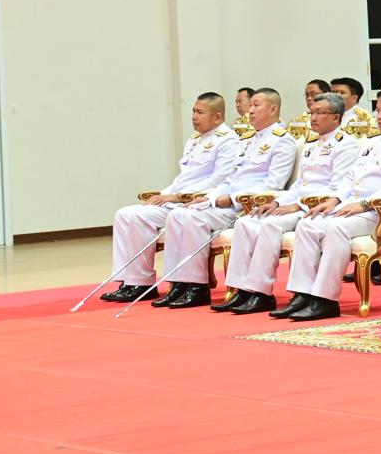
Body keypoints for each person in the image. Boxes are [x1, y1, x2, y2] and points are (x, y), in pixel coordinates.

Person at [275, 86, 381, 321]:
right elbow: (351, 178)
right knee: (308, 224)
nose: (379, 116)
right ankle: (302, 294)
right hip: (356, 206)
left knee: (336, 227)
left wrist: (365, 204)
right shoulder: (372, 142)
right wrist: (334, 200)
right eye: (378, 110)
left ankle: (325, 299)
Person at [153, 88, 299, 308]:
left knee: (193, 218)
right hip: (224, 201)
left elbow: (273, 184)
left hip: (244, 206)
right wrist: (208, 197)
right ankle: (179, 283)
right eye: (250, 105)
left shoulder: (283, 141)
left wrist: (232, 198)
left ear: (273, 109)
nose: (250, 110)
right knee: (179, 214)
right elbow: (231, 178)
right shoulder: (248, 139)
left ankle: (197, 286)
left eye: (256, 105)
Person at [221, 93, 358, 315]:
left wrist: (298, 205)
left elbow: (338, 188)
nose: (314, 118)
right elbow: (298, 185)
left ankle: (266, 293)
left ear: (336, 117)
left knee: (271, 225)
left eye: (320, 113)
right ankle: (243, 290)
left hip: (318, 208)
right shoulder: (311, 144)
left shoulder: (347, 145)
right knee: (246, 222)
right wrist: (276, 202)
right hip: (298, 203)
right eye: (312, 112)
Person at [100, 93, 241, 303]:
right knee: (126, 214)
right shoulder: (195, 140)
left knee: (146, 216)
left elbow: (219, 180)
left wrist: (176, 197)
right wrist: (162, 195)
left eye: (200, 112)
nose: (194, 116)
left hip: (198, 202)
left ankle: (174, 283)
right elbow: (182, 179)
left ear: (217, 116)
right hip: (178, 200)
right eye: (193, 111)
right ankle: (133, 281)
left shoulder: (228, 140)